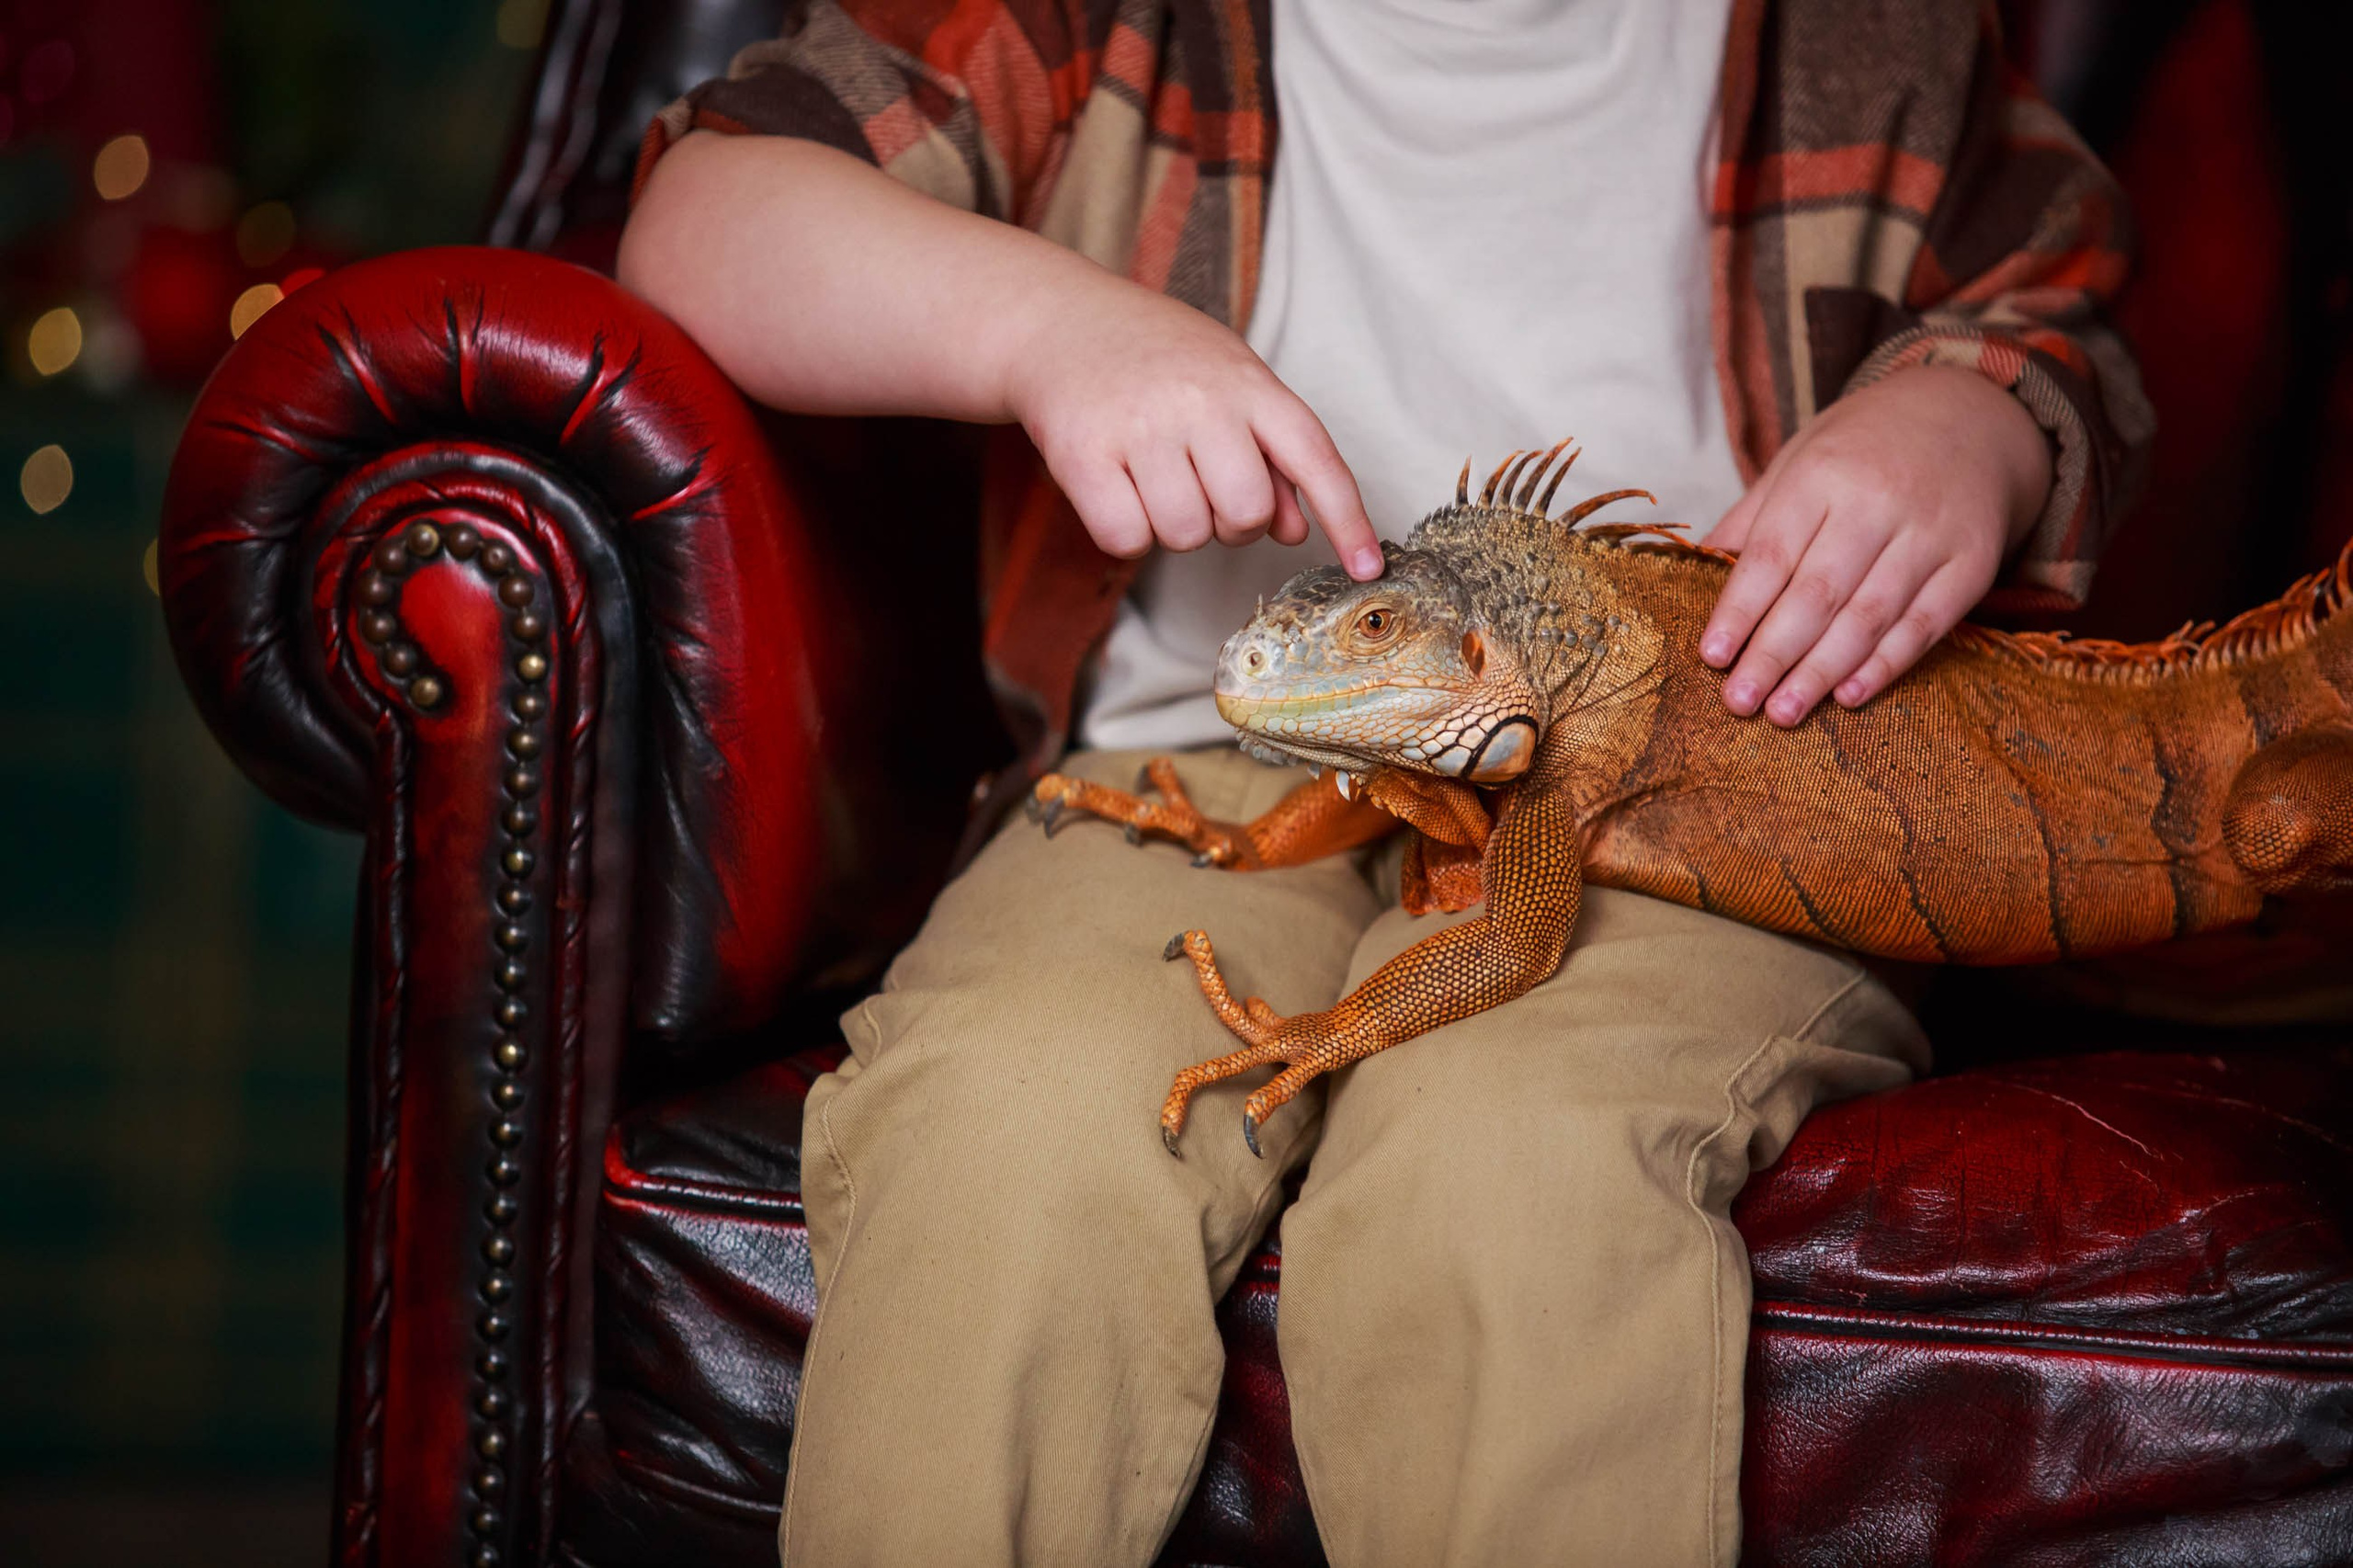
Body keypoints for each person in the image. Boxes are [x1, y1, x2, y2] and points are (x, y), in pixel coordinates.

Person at [619, 2, 2151, 1563]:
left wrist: (1970, 422)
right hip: (1193, 753)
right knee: (1004, 1112)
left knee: (1514, 1170)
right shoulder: (1091, 24)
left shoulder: (1867, 39)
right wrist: (1052, 327)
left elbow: (2057, 314)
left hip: (1692, 795)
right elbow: (703, 213)